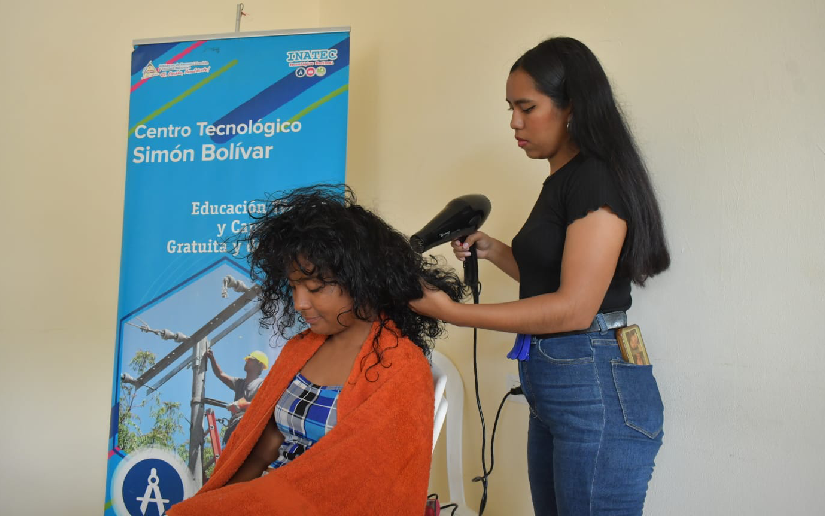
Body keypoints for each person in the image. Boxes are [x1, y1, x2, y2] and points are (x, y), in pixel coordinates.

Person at [410, 37, 670, 516]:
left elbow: (574, 308)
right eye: (510, 108)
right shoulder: (563, 179)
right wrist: (493, 251)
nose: (514, 122)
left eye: (527, 108)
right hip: (559, 385)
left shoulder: (594, 179)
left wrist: (453, 313)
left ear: (571, 107)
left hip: (593, 388)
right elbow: (553, 280)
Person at [168, 184, 466, 516]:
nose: (300, 303)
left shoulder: (402, 368)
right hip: (267, 499)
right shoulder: (300, 349)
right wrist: (212, 505)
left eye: (315, 288)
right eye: (293, 287)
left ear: (363, 281)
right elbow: (263, 450)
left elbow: (371, 488)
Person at [204, 349, 268, 445]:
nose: (246, 361)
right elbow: (220, 374)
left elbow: (264, 406)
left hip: (249, 425)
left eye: (250, 359)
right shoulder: (239, 383)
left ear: (259, 364)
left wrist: (243, 405)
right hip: (235, 426)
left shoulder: (262, 384)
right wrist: (212, 359)